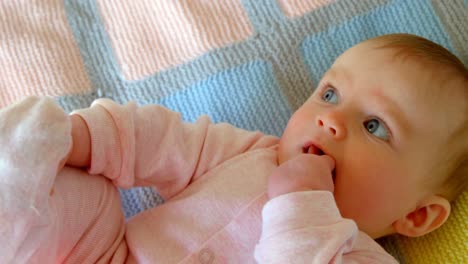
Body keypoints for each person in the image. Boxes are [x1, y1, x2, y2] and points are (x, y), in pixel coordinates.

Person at [1, 33, 467, 263]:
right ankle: (18, 171)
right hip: (109, 255)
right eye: (329, 94)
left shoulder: (359, 255)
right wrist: (80, 137)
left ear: (416, 217)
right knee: (87, 193)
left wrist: (301, 206)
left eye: (374, 126)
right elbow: (163, 140)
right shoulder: (249, 152)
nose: (331, 120)